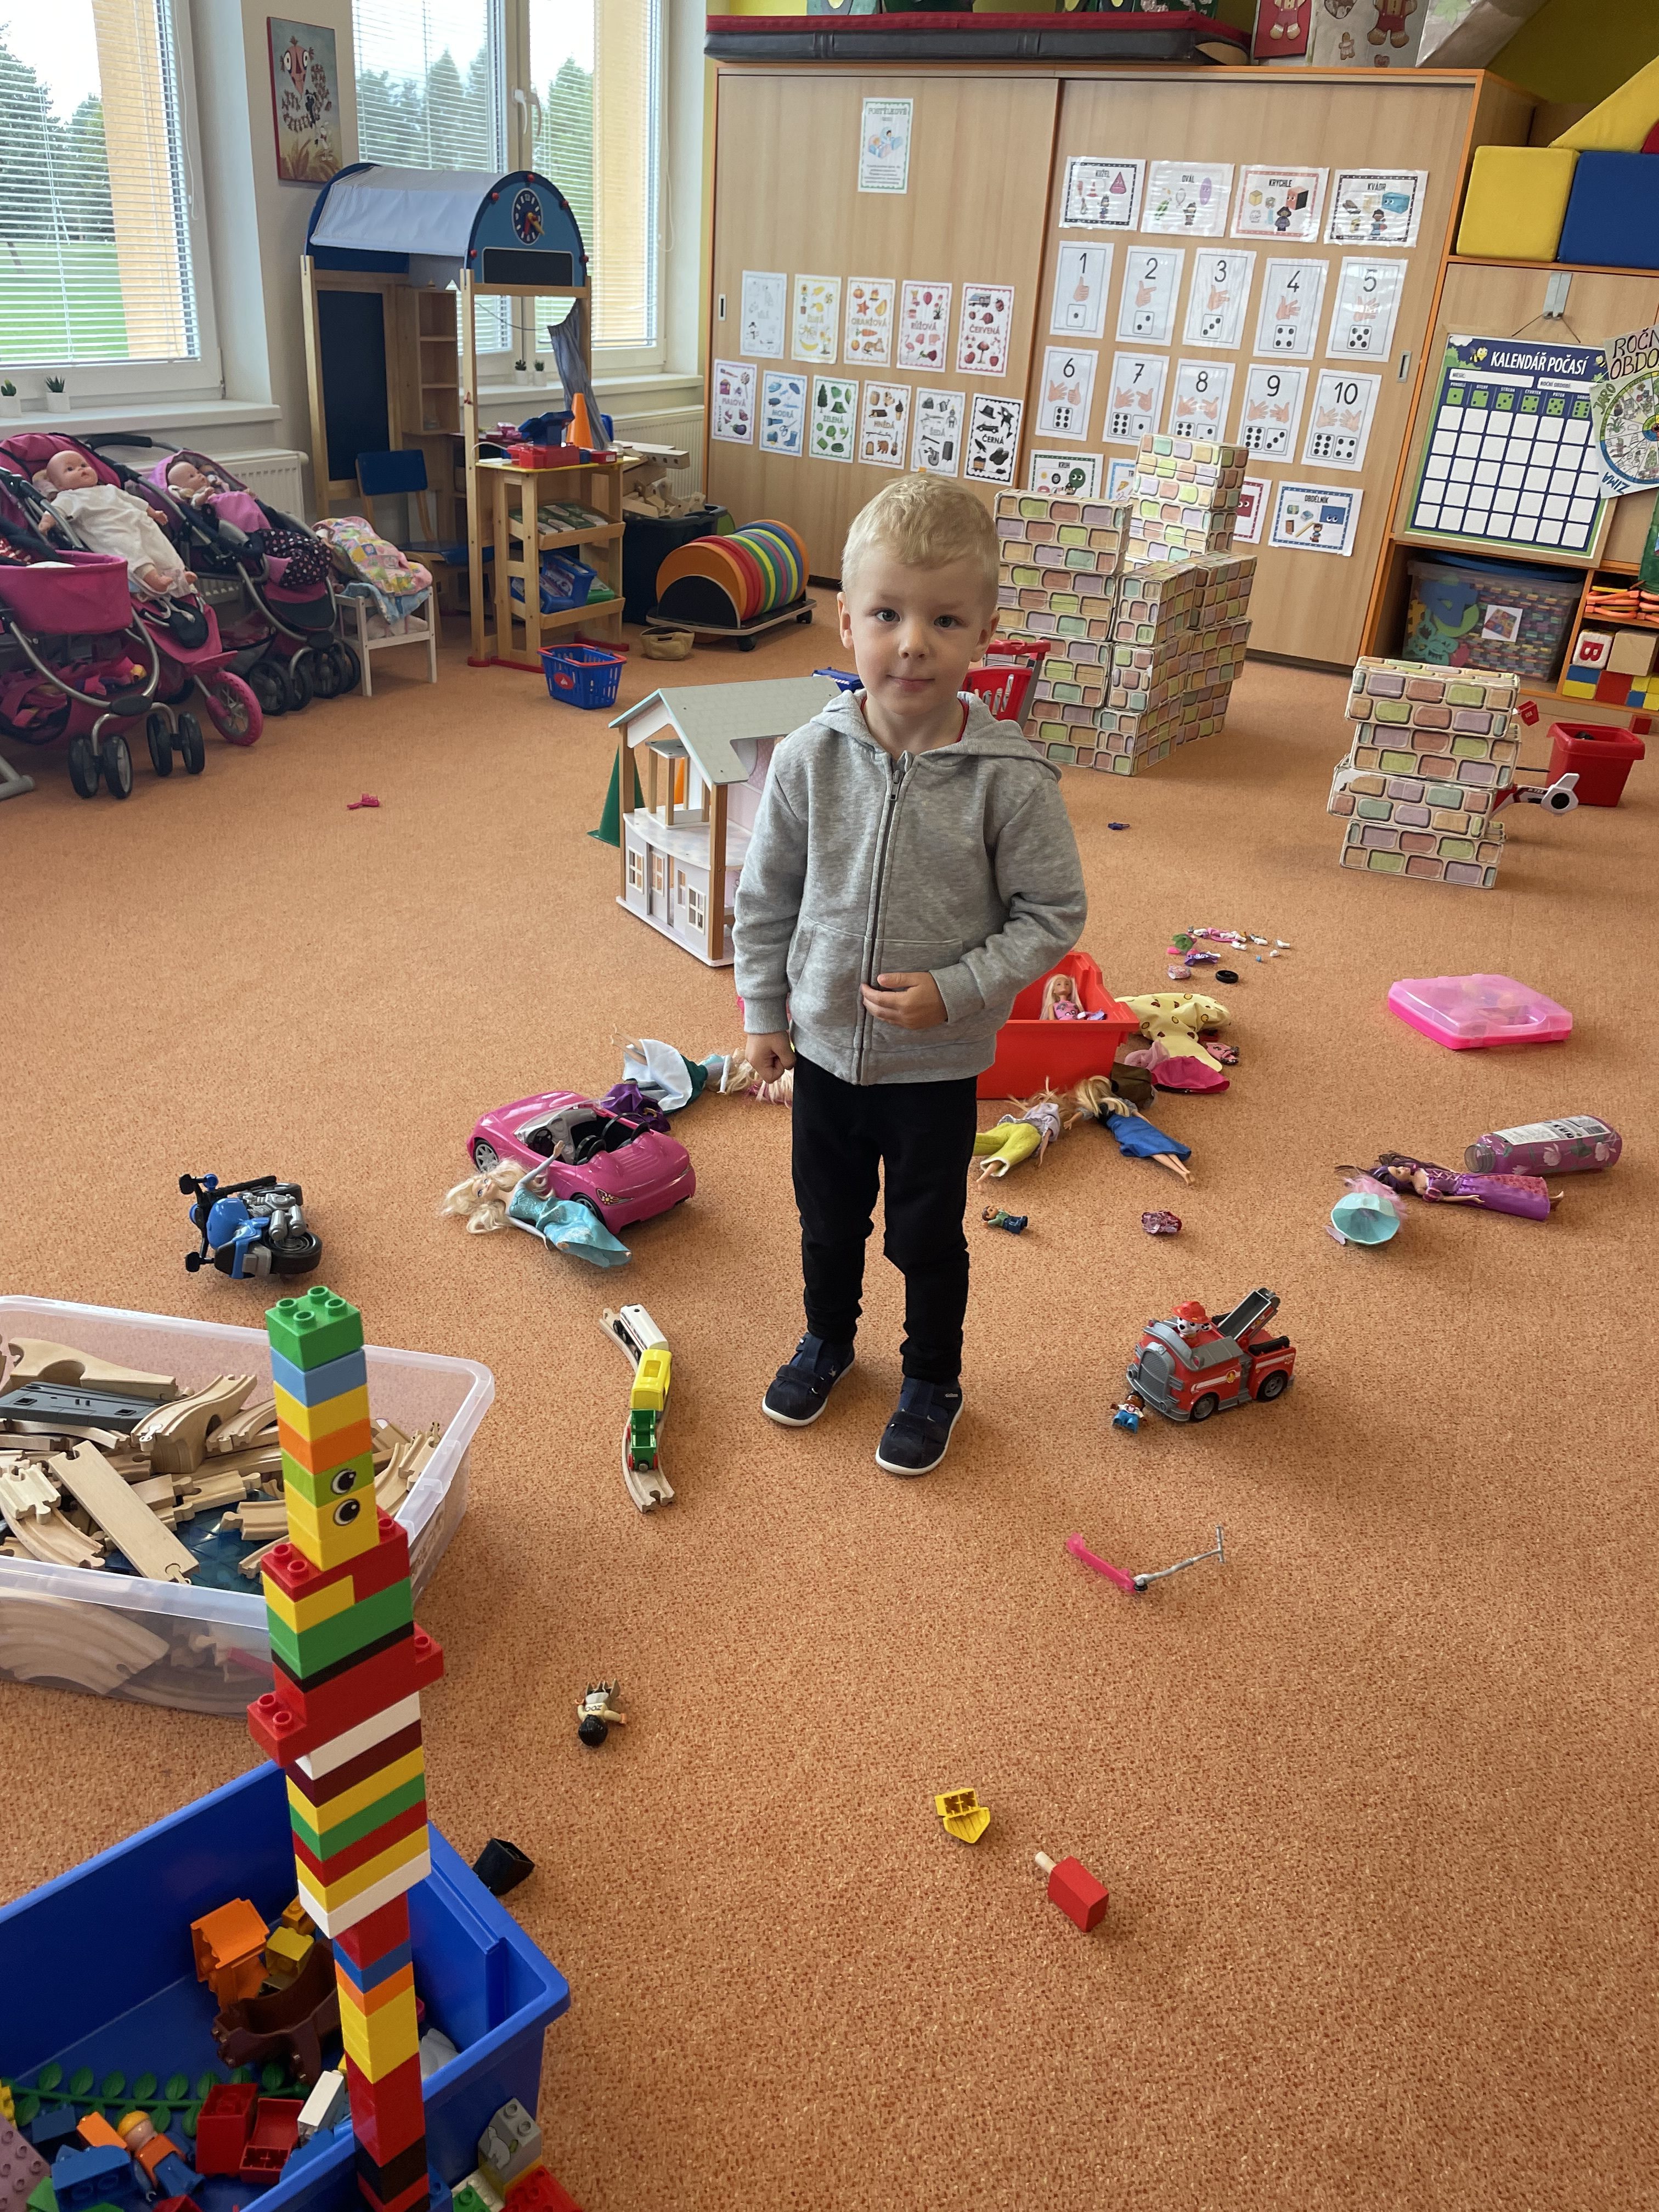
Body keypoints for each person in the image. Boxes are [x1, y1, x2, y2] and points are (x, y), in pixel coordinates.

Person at [733, 475, 1086, 1476]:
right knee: (826, 1221)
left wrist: (959, 987)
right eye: (886, 615)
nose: (912, 644)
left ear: (984, 635)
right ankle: (827, 1340)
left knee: (925, 1236)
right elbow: (765, 897)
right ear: (846, 622)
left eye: (944, 620)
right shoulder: (808, 758)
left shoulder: (1010, 779)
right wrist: (764, 1010)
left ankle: (932, 1376)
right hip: (823, 1052)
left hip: (935, 1065)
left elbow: (1051, 914)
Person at [33, 449, 194, 599]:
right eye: (70, 469)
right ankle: (153, 580)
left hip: (139, 522)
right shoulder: (68, 498)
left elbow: (134, 501)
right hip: (110, 531)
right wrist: (46, 521)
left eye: (84, 465)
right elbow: (55, 510)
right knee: (132, 551)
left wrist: (153, 513)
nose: (81, 469)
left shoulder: (110, 489)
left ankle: (178, 575)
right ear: (59, 485)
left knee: (159, 546)